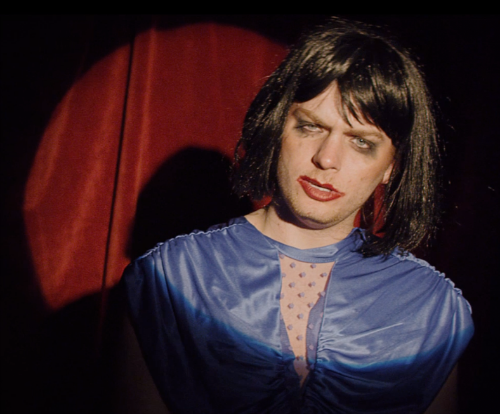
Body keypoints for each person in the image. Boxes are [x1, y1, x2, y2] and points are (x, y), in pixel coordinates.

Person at [122, 17, 474, 414]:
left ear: (392, 165)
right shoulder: (170, 278)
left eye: (361, 142)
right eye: (310, 127)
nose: (327, 158)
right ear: (277, 126)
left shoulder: (431, 307)